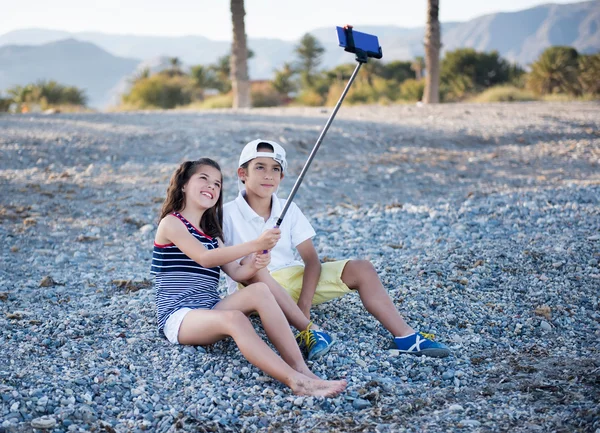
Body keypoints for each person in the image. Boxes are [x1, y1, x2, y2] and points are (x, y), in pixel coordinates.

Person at [222, 140, 451, 359]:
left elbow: (312, 261)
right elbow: (222, 261)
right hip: (253, 289)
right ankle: (310, 331)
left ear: (282, 177)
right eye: (259, 167)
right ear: (243, 174)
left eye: (275, 169)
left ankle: (406, 337)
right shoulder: (225, 213)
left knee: (362, 268)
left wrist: (304, 304)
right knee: (251, 267)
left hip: (292, 279)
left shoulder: (288, 209)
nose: (268, 175)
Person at [151, 158, 347, 397]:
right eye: (203, 179)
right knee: (235, 319)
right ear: (183, 185)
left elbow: (236, 272)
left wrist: (256, 260)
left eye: (217, 184)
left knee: (260, 290)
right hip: (179, 316)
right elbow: (204, 258)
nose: (211, 186)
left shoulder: (213, 235)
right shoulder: (171, 223)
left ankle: (301, 368)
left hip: (210, 308)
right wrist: (254, 243)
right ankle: (295, 382)